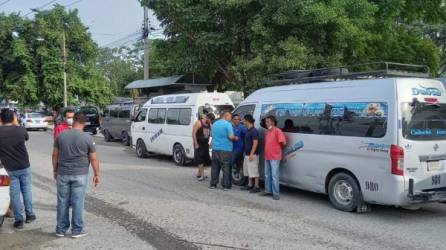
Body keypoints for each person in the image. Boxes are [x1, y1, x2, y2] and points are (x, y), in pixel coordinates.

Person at [52, 113, 100, 238]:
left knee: (62, 201)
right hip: (80, 174)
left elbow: (55, 155)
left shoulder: (61, 135)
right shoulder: (87, 138)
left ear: (73, 121)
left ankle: (60, 230)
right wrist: (96, 174)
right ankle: (77, 230)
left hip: (63, 173)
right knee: (78, 202)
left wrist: (55, 170)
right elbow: (93, 158)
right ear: (84, 123)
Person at [0, 109, 35, 229]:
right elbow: (26, 138)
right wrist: (16, 123)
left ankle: (19, 220)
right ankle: (30, 215)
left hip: (9, 167)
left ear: (1, 119)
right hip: (24, 165)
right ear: (14, 118)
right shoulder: (21, 129)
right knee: (27, 190)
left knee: (14, 194)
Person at [209, 111, 238, 190]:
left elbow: (211, 135)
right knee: (226, 167)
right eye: (230, 117)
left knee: (215, 167)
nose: (231, 119)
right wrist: (235, 137)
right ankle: (225, 185)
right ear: (226, 116)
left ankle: (213, 184)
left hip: (215, 149)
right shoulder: (228, 124)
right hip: (226, 149)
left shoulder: (214, 124)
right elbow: (231, 136)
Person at [261, 115, 286, 200]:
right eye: (266, 122)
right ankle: (268, 190)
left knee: (274, 175)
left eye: (268, 121)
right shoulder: (267, 131)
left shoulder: (278, 131)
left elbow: (283, 143)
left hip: (275, 157)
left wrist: (278, 150)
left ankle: (276, 193)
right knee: (267, 175)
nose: (266, 123)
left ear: (273, 122)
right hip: (267, 156)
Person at [192, 113, 215, 181]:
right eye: (210, 120)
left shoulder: (209, 125)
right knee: (200, 160)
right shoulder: (198, 123)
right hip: (199, 144)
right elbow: (193, 133)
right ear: (207, 118)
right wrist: (196, 143)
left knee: (204, 159)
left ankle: (199, 173)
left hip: (205, 145)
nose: (210, 122)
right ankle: (202, 175)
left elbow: (211, 135)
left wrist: (210, 142)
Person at [241, 114, 260, 193]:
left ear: (248, 121)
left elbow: (255, 143)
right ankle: (249, 184)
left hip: (252, 154)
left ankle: (256, 186)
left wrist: (252, 154)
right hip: (247, 154)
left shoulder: (254, 131)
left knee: (254, 170)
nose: (243, 122)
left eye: (244, 121)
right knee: (249, 170)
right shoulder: (248, 130)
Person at [230, 114, 247, 189]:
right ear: (232, 120)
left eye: (238, 119)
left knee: (230, 163)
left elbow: (247, 136)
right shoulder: (231, 127)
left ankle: (227, 179)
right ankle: (233, 177)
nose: (236, 120)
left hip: (239, 149)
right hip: (232, 149)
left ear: (240, 120)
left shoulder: (242, 127)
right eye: (235, 119)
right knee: (236, 165)